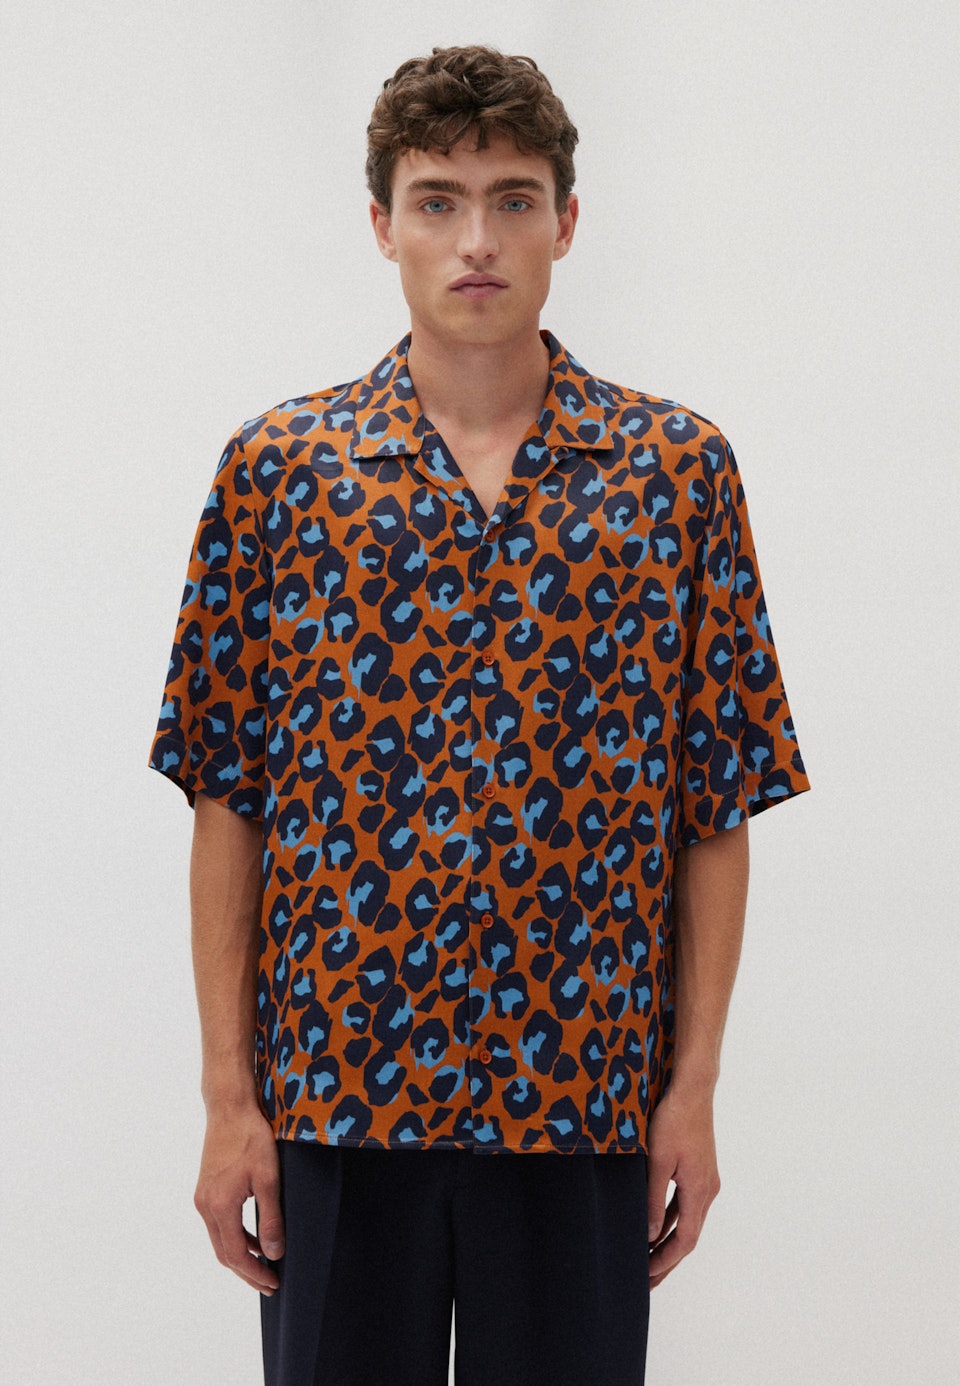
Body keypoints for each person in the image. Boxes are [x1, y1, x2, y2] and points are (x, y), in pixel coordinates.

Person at [148, 43, 810, 1386]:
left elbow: (717, 801)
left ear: (566, 222)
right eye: (438, 201)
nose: (477, 241)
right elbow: (229, 796)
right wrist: (229, 1099)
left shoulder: (675, 476)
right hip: (337, 1097)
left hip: (583, 1098)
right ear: (381, 223)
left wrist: (692, 1090)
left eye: (513, 200)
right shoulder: (283, 474)